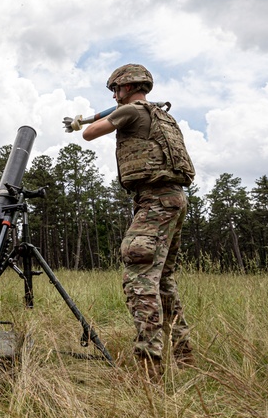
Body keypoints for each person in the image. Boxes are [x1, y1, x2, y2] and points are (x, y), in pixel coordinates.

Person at [81, 64, 195, 380]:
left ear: (128, 87)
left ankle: (148, 369)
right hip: (173, 198)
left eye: (116, 89)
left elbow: (89, 133)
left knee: (139, 277)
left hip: (155, 200)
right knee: (163, 280)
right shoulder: (163, 117)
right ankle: (184, 358)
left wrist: (91, 118)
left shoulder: (131, 110)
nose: (115, 95)